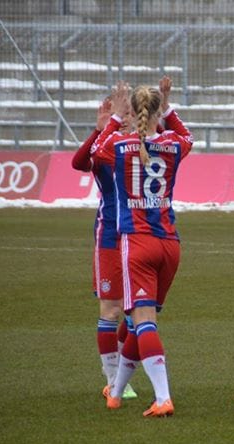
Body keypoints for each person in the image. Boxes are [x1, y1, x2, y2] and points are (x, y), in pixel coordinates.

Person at [90, 78, 193, 417]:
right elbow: (188, 136)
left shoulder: (120, 144)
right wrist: (169, 105)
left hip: (136, 242)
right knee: (137, 323)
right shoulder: (175, 145)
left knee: (143, 322)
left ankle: (163, 398)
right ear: (158, 111)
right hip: (170, 243)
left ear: (134, 112)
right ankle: (117, 391)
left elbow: (95, 153)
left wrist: (116, 119)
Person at [71, 98, 138, 401]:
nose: (125, 120)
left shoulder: (139, 147)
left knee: (138, 311)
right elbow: (78, 163)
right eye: (122, 116)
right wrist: (98, 130)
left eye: (130, 116)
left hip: (140, 235)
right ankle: (112, 380)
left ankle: (121, 370)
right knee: (111, 309)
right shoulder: (103, 148)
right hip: (110, 235)